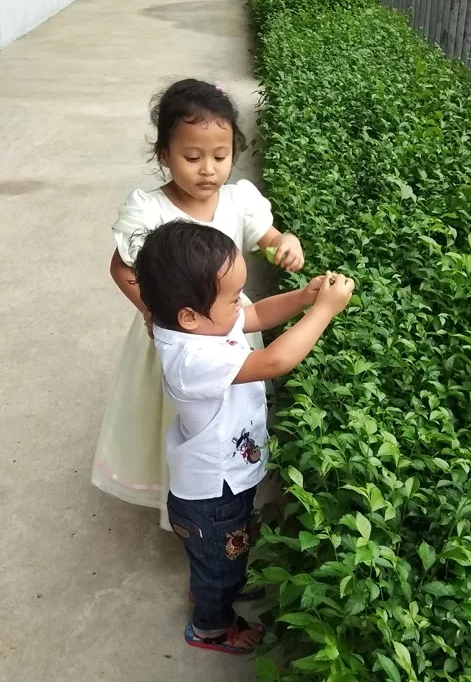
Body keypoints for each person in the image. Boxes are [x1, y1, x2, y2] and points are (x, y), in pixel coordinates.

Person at [91, 79, 305, 530]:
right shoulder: (149, 211)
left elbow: (266, 240)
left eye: (220, 156)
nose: (208, 169)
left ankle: (222, 488)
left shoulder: (238, 200)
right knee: (172, 418)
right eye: (192, 157)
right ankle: (186, 508)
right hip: (174, 336)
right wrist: (153, 312)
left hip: (227, 321)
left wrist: (284, 243)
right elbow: (122, 268)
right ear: (164, 155)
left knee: (225, 414)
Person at [134, 220, 355, 653]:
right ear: (189, 316)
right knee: (221, 564)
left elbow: (253, 316)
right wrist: (324, 311)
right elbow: (274, 361)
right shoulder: (192, 357)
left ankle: (216, 579)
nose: (241, 306)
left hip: (225, 477)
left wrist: (303, 297)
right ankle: (209, 626)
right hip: (212, 492)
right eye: (233, 297)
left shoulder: (201, 323)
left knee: (225, 554)